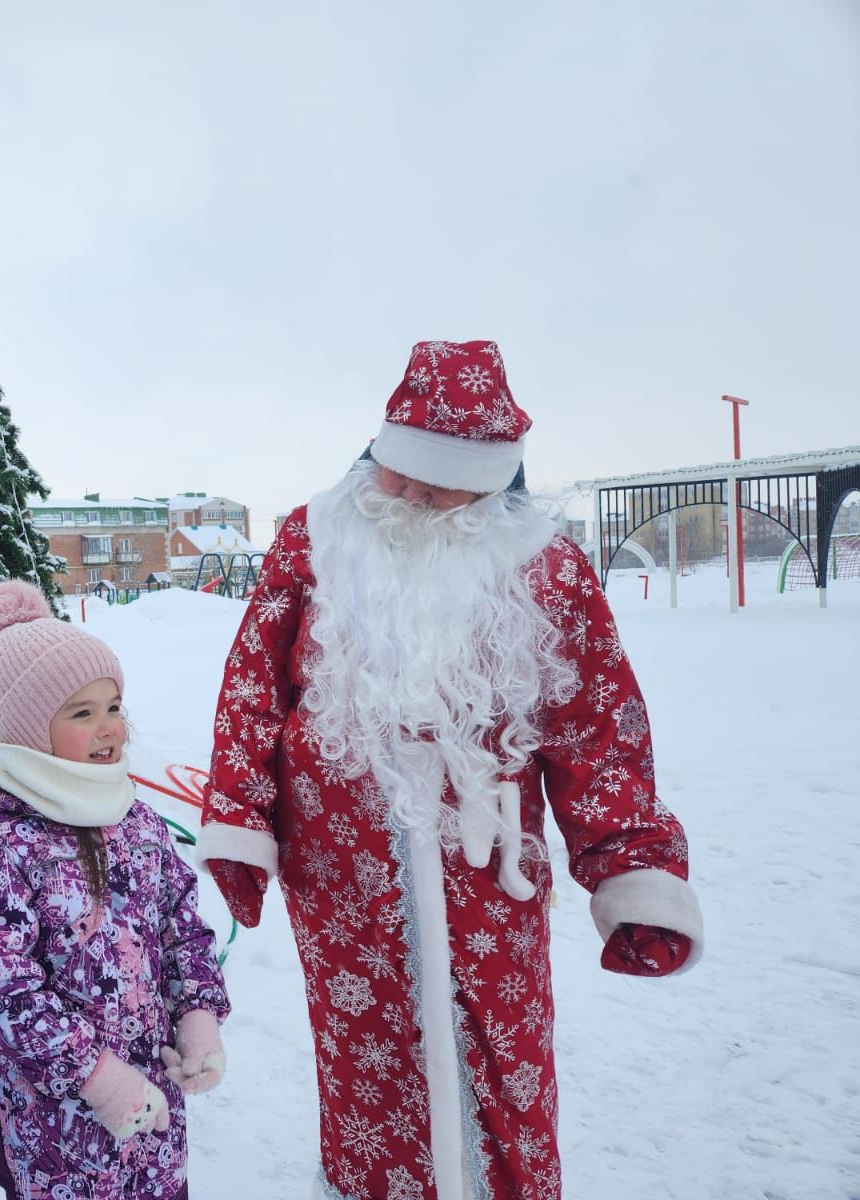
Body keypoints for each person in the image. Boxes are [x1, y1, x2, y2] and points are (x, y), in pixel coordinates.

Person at [196, 340, 704, 1200]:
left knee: (505, 1054)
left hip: (490, 871)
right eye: (399, 474)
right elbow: (253, 684)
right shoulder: (313, 538)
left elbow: (598, 730)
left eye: (441, 482)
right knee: (367, 1063)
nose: (412, 496)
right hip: (342, 876)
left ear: (493, 486)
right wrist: (241, 821)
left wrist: (633, 869)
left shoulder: (551, 570)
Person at [0, 581, 230, 1200]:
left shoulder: (134, 817)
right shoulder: (3, 839)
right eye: (81, 713)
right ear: (29, 730)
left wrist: (198, 1016)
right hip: (57, 1122)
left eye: (114, 706)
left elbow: (180, 924)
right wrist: (96, 1078)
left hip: (151, 1094)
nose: (109, 729)